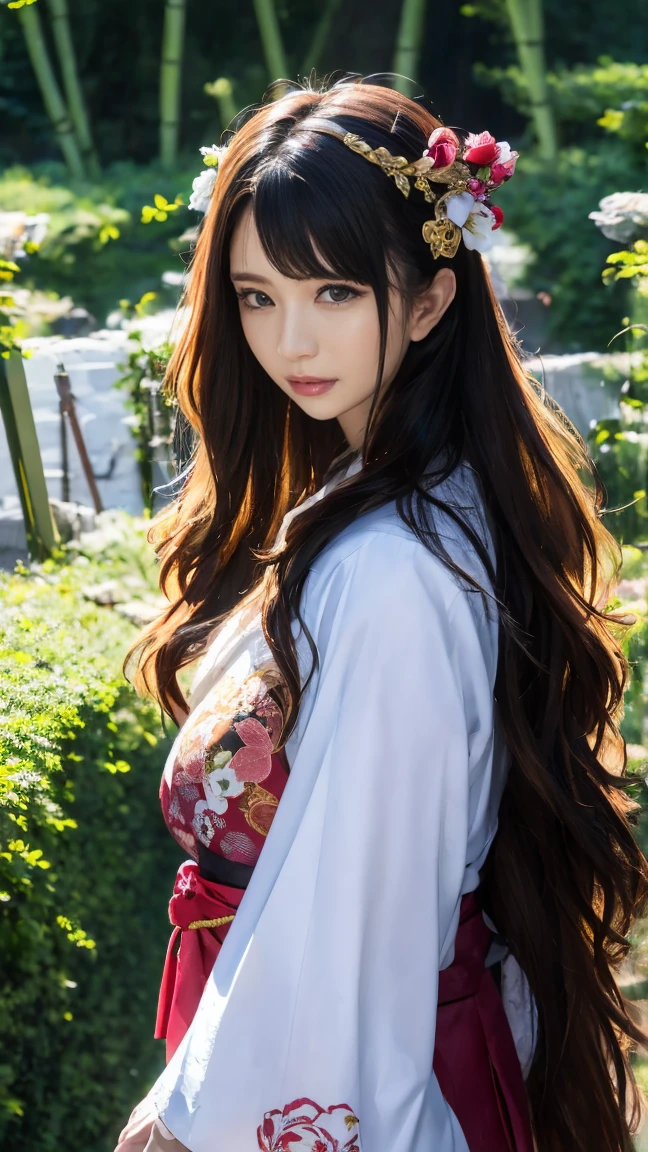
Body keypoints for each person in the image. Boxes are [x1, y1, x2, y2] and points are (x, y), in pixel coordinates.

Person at [114, 76, 648, 1152]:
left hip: (348, 1063)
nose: (291, 342)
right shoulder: (388, 507)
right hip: (333, 1037)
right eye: (258, 296)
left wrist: (187, 1121)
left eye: (335, 294)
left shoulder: (392, 568)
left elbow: (348, 919)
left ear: (430, 298)